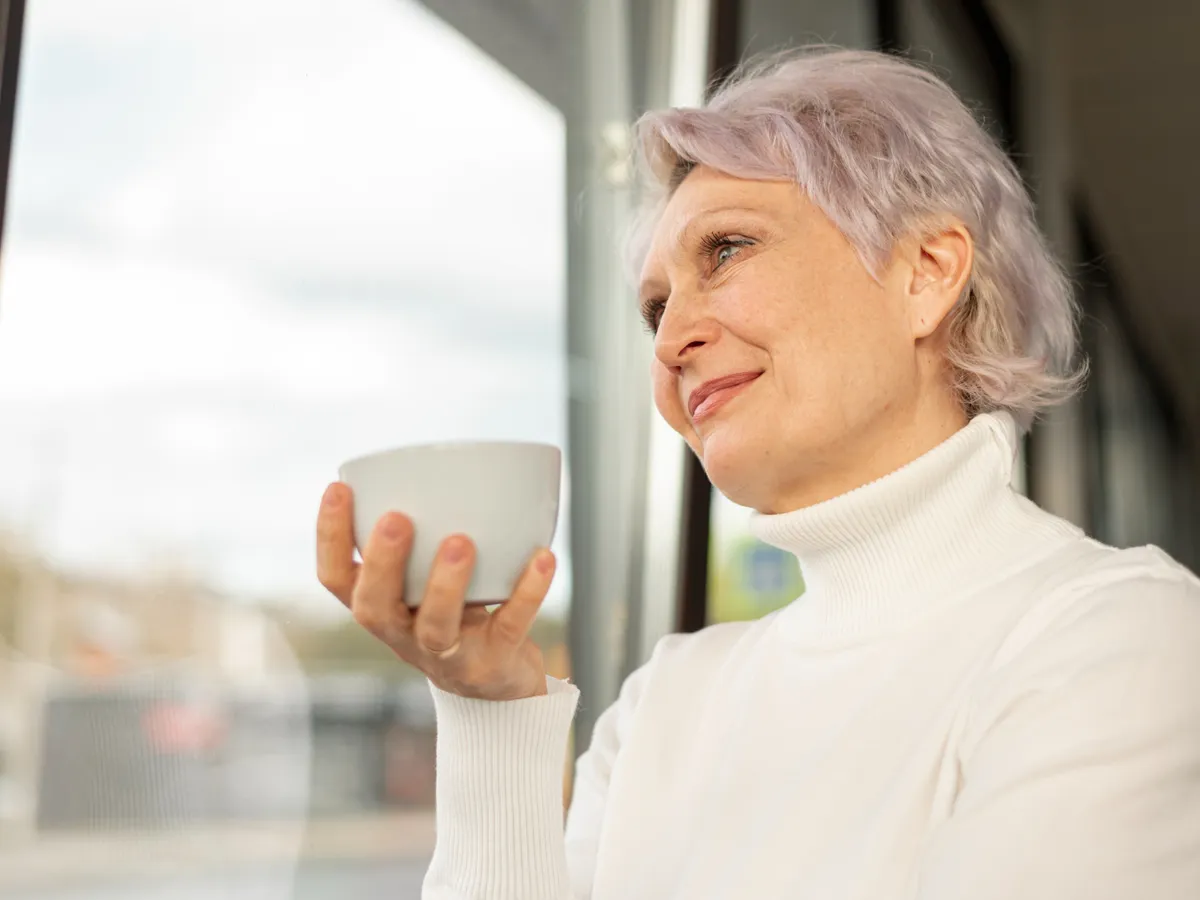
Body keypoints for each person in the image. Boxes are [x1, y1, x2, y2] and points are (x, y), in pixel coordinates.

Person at [315, 47, 1200, 900]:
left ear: (927, 275)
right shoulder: (666, 702)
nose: (670, 341)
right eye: (655, 308)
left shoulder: (1120, 637)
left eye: (728, 250)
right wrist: (491, 716)